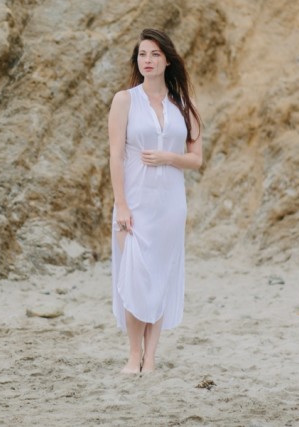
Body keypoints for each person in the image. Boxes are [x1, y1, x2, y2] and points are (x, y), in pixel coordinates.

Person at [109, 28, 203, 374]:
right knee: (135, 276)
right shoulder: (125, 100)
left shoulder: (183, 106)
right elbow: (115, 155)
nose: (147, 61)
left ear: (167, 60)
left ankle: (151, 358)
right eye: (142, 55)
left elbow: (196, 159)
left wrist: (167, 157)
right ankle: (134, 354)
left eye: (154, 55)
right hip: (134, 202)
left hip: (170, 205)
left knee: (160, 276)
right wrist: (121, 204)